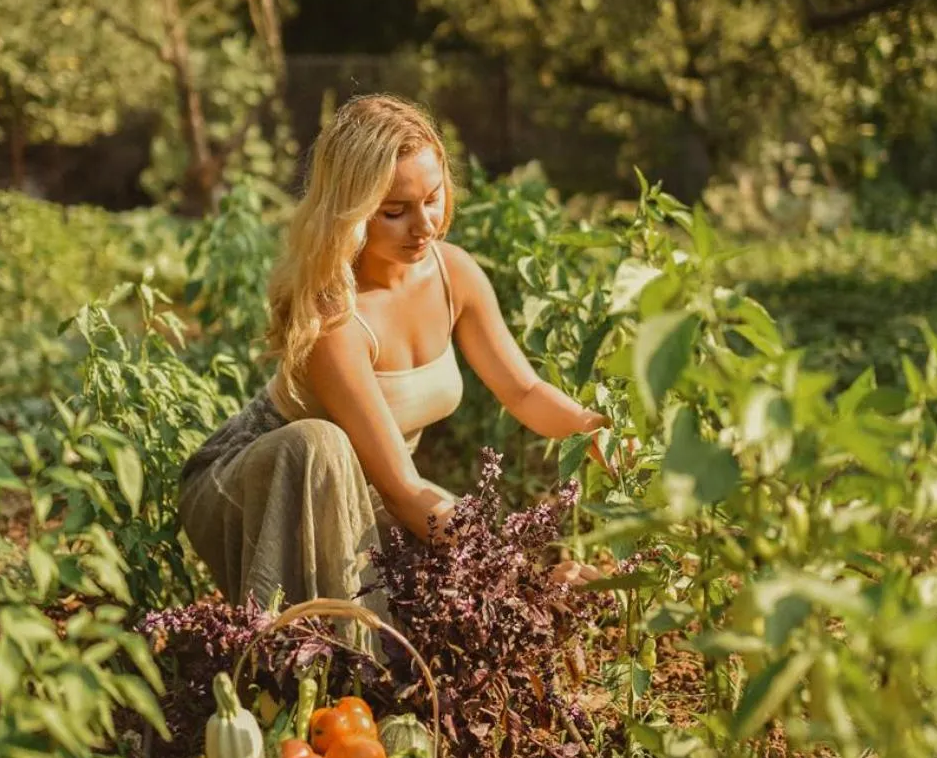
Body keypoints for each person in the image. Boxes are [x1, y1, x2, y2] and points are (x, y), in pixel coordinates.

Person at [178, 94, 621, 612]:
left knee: (461, 603)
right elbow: (404, 492)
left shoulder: (454, 273)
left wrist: (593, 429)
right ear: (352, 212)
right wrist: (526, 575)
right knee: (322, 446)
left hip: (372, 488)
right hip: (258, 486)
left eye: (432, 199)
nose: (424, 226)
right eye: (395, 211)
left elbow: (522, 391)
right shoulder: (337, 319)